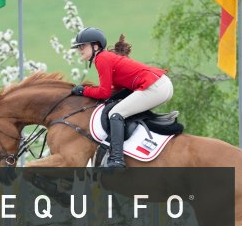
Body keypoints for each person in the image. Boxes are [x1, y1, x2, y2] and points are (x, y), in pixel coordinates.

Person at [70, 27, 173, 168]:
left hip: (155, 87)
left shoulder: (102, 58)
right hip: (160, 85)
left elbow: (104, 93)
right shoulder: (105, 57)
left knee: (115, 114)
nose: (79, 50)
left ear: (95, 46)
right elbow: (115, 90)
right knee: (119, 109)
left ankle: (117, 159)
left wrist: (83, 90)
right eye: (78, 47)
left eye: (83, 46)